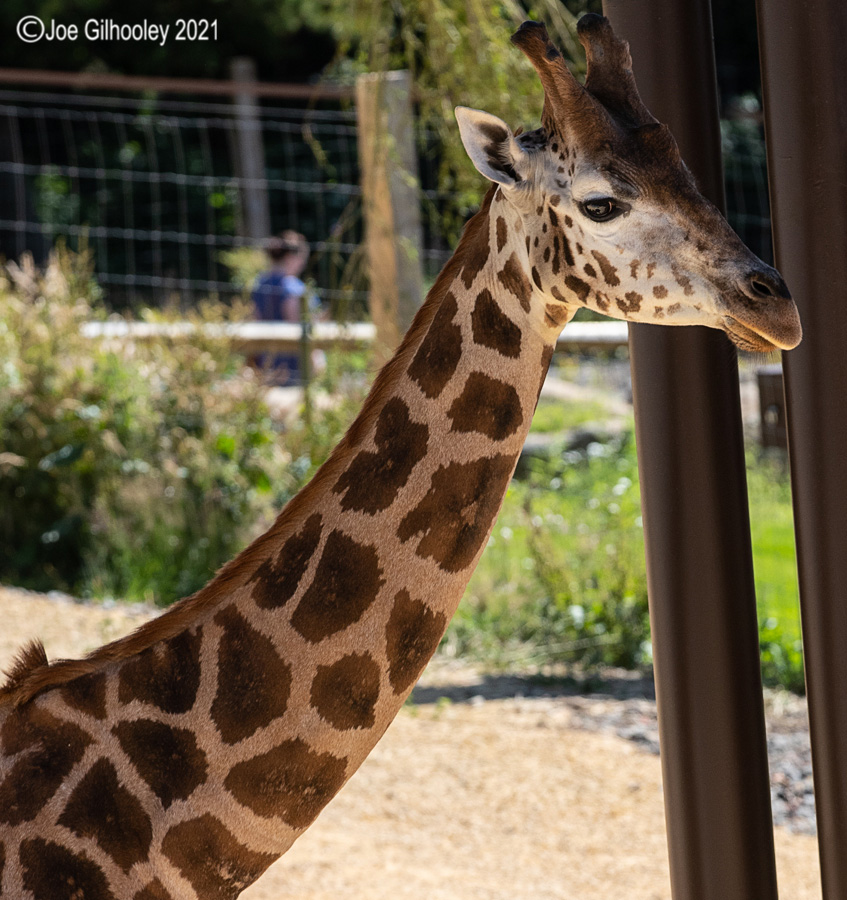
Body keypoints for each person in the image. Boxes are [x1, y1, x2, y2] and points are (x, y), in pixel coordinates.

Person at [251, 231, 320, 386]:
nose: (303, 264)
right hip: (293, 369)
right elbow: (298, 327)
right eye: (303, 259)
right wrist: (315, 359)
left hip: (267, 365)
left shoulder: (259, 284)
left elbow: (254, 318)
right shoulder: (293, 289)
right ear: (291, 257)